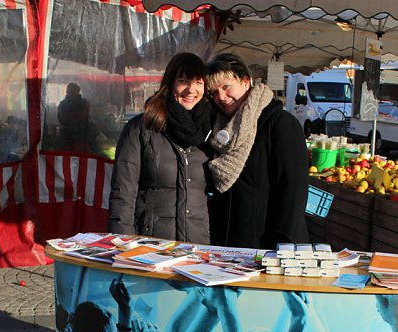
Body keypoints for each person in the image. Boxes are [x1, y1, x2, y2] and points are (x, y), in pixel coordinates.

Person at [205, 53, 309, 249]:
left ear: (246, 82)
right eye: (214, 92)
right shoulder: (216, 129)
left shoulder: (280, 124)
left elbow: (293, 193)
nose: (221, 97)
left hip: (266, 247)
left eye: (226, 87)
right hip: (226, 247)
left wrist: (281, 247)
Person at [107, 53, 213, 244]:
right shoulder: (143, 127)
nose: (191, 90)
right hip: (150, 243)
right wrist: (122, 240)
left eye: (198, 82)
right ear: (170, 83)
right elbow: (123, 190)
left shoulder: (209, 131)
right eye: (183, 81)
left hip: (197, 245)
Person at [57, 83, 91, 152]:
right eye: (70, 90)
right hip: (67, 135)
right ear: (67, 91)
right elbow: (61, 118)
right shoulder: (63, 104)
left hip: (80, 136)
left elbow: (84, 117)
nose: (71, 92)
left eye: (73, 91)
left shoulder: (83, 103)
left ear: (78, 91)